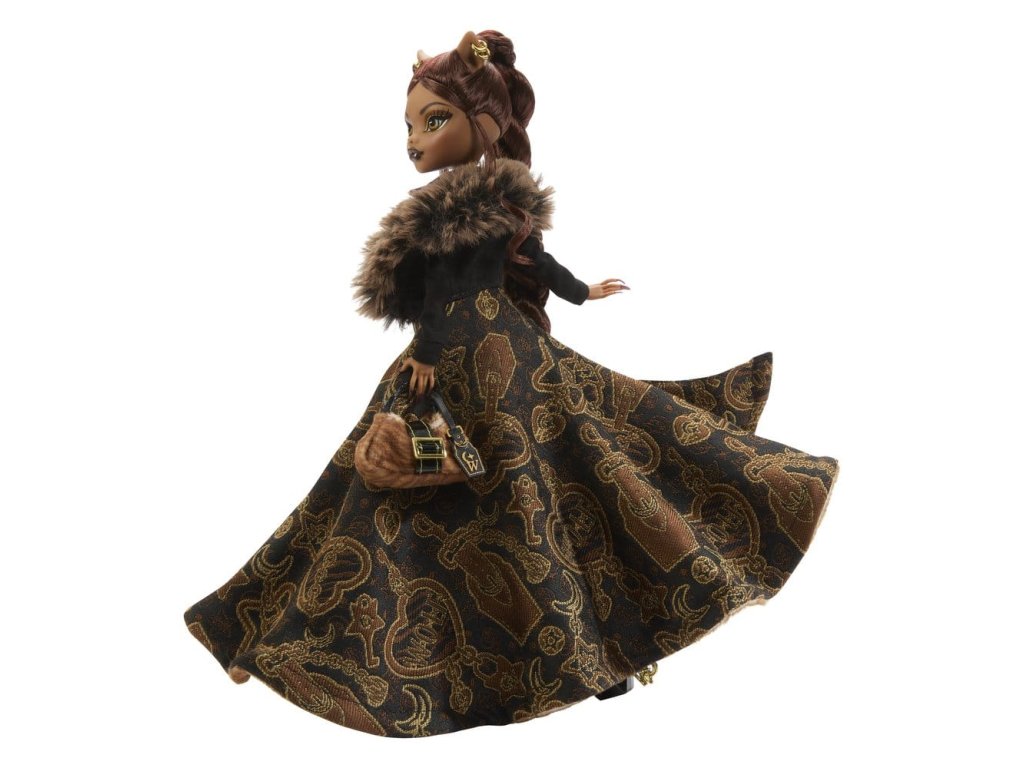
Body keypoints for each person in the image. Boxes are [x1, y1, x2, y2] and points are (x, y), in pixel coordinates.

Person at [183, 29, 840, 738]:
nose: (414, 140)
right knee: (524, 483)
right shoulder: (479, 204)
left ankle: (585, 653)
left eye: (433, 120)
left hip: (472, 356)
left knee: (532, 483)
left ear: (485, 125)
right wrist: (561, 298)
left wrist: (568, 298)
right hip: (494, 353)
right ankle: (263, 630)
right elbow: (504, 274)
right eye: (410, 125)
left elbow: (475, 283)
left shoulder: (457, 209)